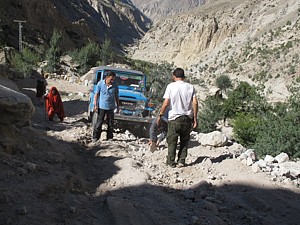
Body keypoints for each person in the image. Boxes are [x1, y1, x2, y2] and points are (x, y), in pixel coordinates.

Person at [157, 68, 198, 168]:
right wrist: (195, 118)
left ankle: (171, 162)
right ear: (183, 77)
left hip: (174, 118)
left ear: (174, 76)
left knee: (172, 141)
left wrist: (160, 115)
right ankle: (181, 161)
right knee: (184, 141)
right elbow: (195, 102)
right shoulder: (190, 87)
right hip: (187, 118)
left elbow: (166, 103)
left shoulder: (171, 86)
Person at [93, 71, 119, 142]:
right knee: (99, 122)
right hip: (101, 106)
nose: (112, 81)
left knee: (110, 123)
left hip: (111, 107)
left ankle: (109, 138)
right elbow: (96, 95)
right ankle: (95, 137)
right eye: (111, 79)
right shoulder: (100, 84)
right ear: (107, 77)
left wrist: (118, 106)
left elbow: (116, 96)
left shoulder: (115, 85)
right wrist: (95, 105)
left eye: (113, 79)